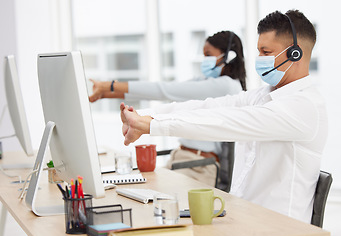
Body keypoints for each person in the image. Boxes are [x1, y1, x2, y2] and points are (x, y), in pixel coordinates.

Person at [119, 9, 327, 223]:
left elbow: (225, 122)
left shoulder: (304, 106)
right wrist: (143, 115)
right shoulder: (264, 95)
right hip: (244, 219)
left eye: (266, 52)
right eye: (259, 52)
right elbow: (210, 108)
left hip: (279, 229)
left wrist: (153, 126)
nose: (259, 59)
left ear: (296, 53)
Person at [90, 31, 247, 186]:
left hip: (199, 166)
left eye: (208, 55)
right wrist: (105, 93)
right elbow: (169, 90)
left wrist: (110, 85)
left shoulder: (226, 85)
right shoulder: (207, 81)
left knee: (150, 193)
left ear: (229, 57)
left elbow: (166, 89)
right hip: (180, 158)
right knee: (138, 187)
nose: (204, 60)